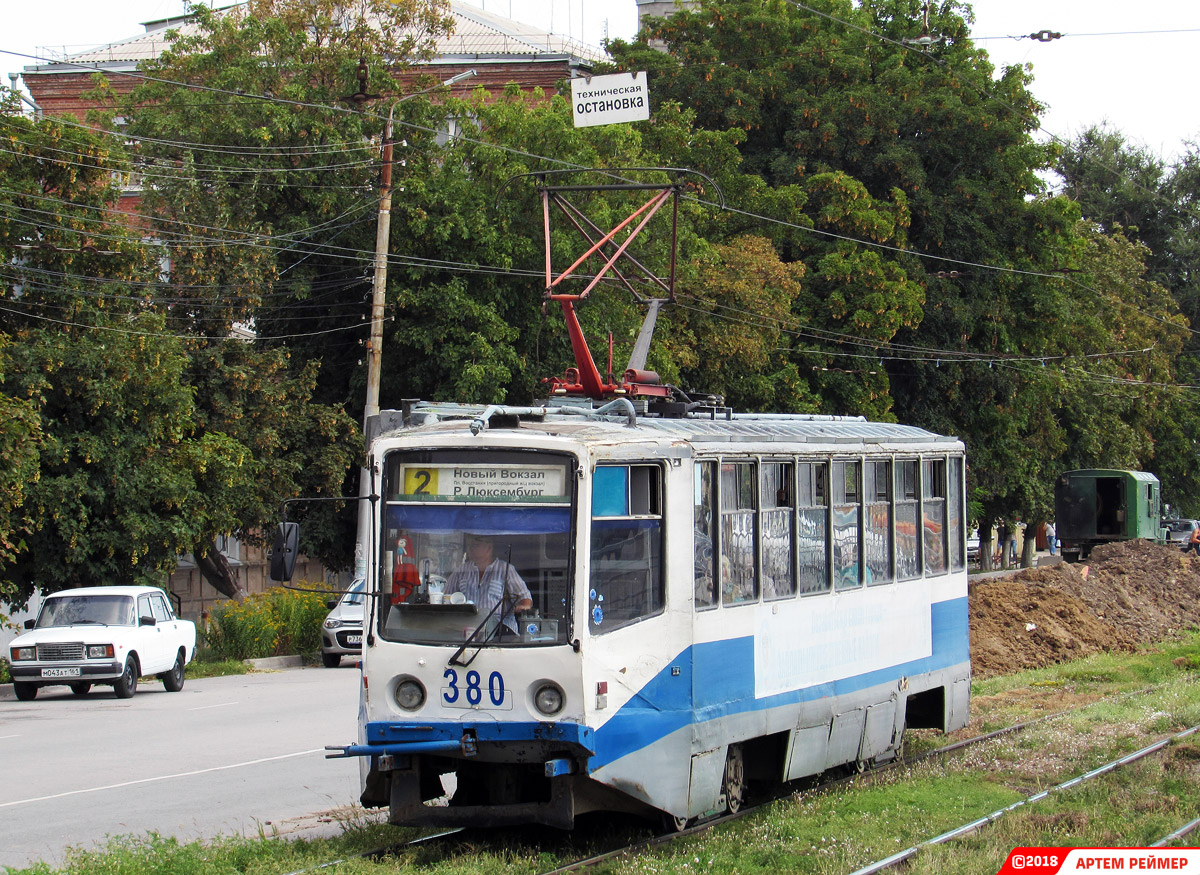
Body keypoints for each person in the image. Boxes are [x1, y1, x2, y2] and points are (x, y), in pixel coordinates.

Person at [444, 533, 532, 634]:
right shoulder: (461, 571)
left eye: (475, 545)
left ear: (489, 547)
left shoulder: (506, 569)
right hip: (466, 630)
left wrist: (523, 606)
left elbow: (525, 599)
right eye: (469, 546)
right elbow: (446, 596)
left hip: (500, 631)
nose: (471, 549)